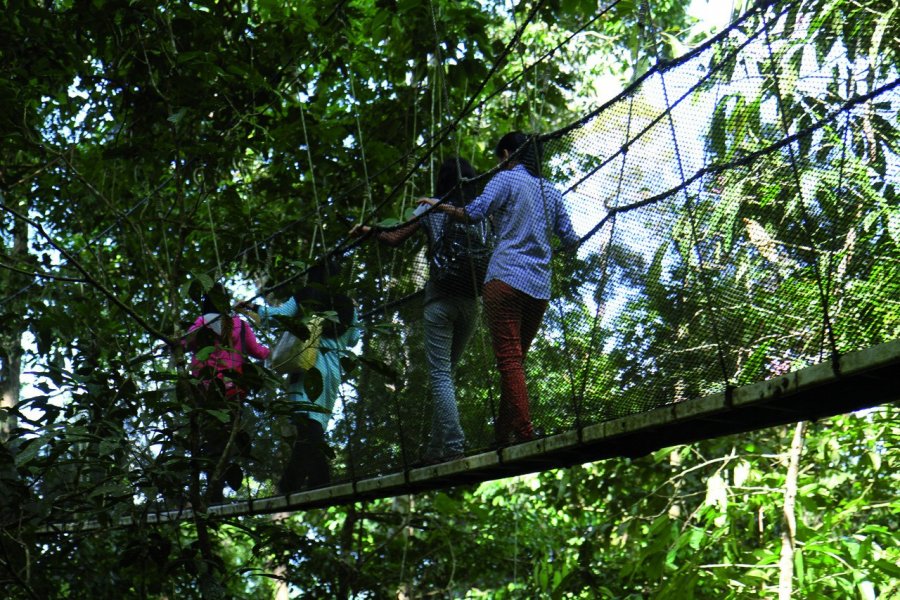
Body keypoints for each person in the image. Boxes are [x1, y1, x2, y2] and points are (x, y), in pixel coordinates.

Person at [418, 133, 579, 445]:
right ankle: (504, 435)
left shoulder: (504, 180)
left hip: (504, 280)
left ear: (507, 154)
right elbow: (570, 241)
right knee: (515, 361)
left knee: (509, 360)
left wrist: (438, 205)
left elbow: (471, 213)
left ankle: (524, 433)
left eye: (499, 159)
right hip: (538, 287)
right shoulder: (552, 192)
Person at [352, 157, 486, 464]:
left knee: (440, 375)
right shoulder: (479, 210)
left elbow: (394, 237)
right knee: (446, 374)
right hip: (470, 300)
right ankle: (436, 451)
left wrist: (368, 231)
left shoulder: (432, 205)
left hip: (440, 299)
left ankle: (452, 446)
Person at [251, 259, 360, 492]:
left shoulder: (307, 295)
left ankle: (289, 487)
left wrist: (252, 310)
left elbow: (278, 316)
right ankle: (320, 482)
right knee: (314, 425)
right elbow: (353, 339)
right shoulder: (348, 306)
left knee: (307, 427)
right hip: (332, 371)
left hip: (306, 368)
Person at [184, 283, 270, 502]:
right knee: (227, 439)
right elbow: (259, 352)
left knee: (211, 439)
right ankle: (216, 490)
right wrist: (281, 349)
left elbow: (184, 344)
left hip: (208, 391)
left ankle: (213, 493)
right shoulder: (239, 325)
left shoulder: (200, 323)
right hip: (235, 391)